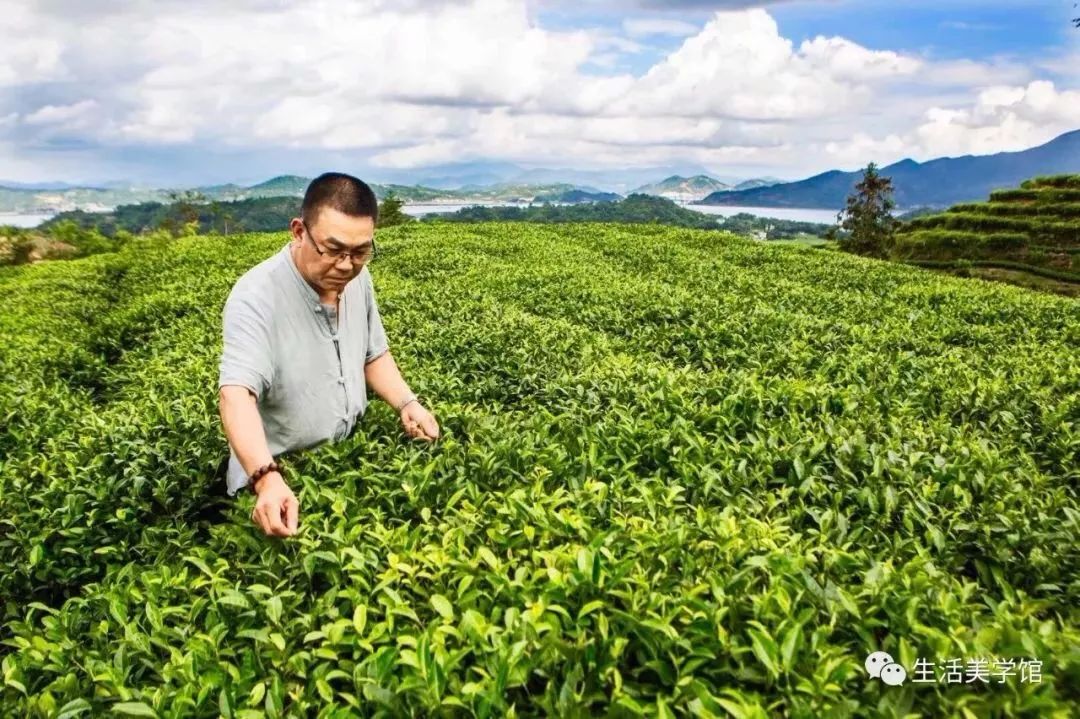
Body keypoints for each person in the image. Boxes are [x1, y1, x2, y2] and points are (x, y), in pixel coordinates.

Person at [217, 172, 439, 537]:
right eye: (333, 250)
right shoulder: (255, 297)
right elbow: (236, 395)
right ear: (299, 231)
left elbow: (373, 353)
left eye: (360, 252)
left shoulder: (357, 277)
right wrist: (266, 478)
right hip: (279, 481)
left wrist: (407, 403)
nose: (345, 265)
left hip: (342, 463)